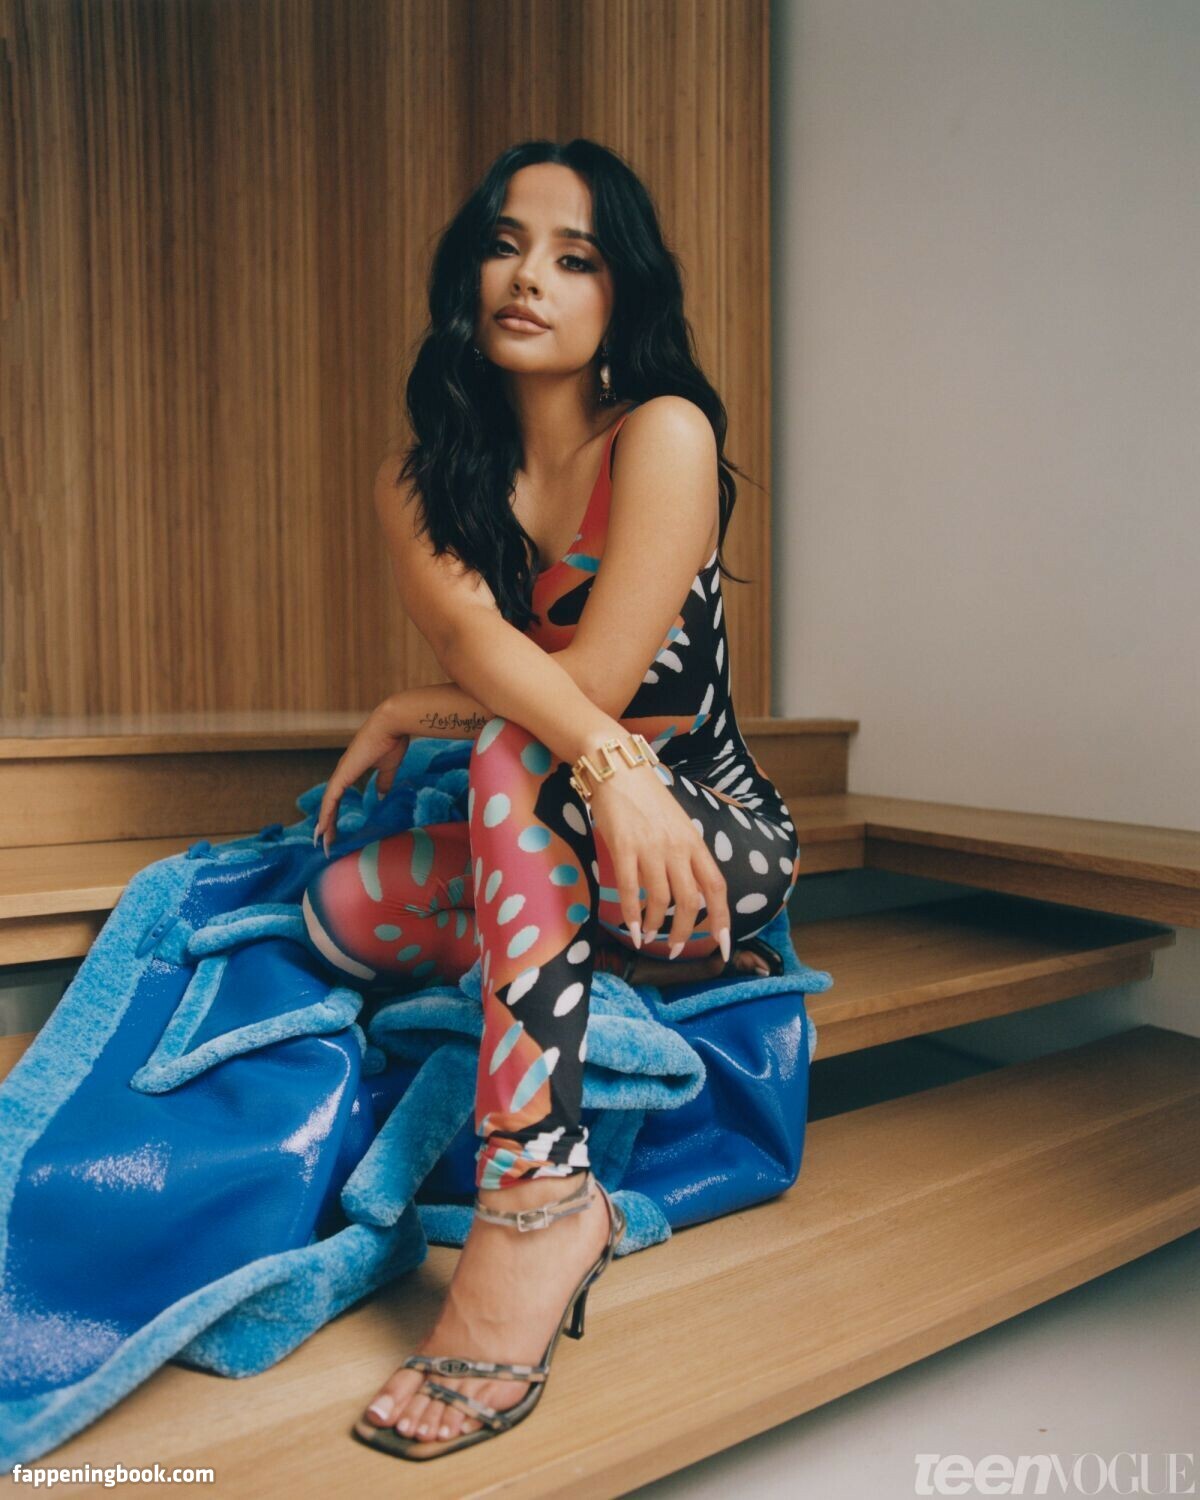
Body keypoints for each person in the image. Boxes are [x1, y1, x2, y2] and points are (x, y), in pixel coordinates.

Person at [303, 138, 801, 1460]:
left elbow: (588, 691)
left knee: (512, 756)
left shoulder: (665, 434)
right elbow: (484, 653)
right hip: (575, 837)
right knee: (342, 913)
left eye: (574, 258)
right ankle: (615, 954)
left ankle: (538, 1199)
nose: (528, 277)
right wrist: (454, 704)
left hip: (705, 835)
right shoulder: (422, 483)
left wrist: (486, 730)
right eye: (503, 244)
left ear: (620, 293)